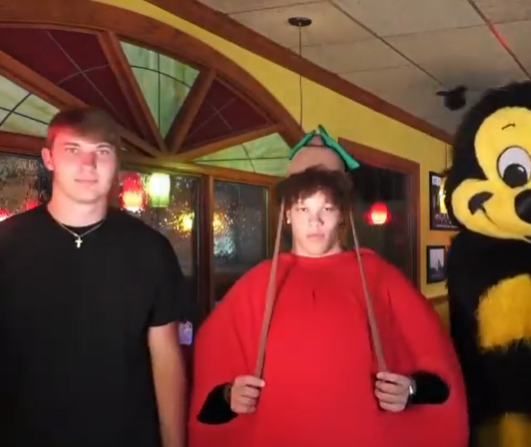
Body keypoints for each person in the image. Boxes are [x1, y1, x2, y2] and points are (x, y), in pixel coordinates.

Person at [188, 130, 468, 447]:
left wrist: (411, 390)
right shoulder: (257, 285)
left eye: (327, 208)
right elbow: (210, 392)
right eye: (303, 208)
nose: (315, 221)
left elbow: (441, 379)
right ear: (288, 215)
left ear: (343, 216)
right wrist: (229, 395)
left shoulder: (380, 278)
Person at [0, 107, 188, 447]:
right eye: (73, 150)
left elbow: (166, 357)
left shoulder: (151, 250)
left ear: (116, 162)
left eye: (101, 152)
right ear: (49, 158)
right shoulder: (7, 245)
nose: (88, 165)